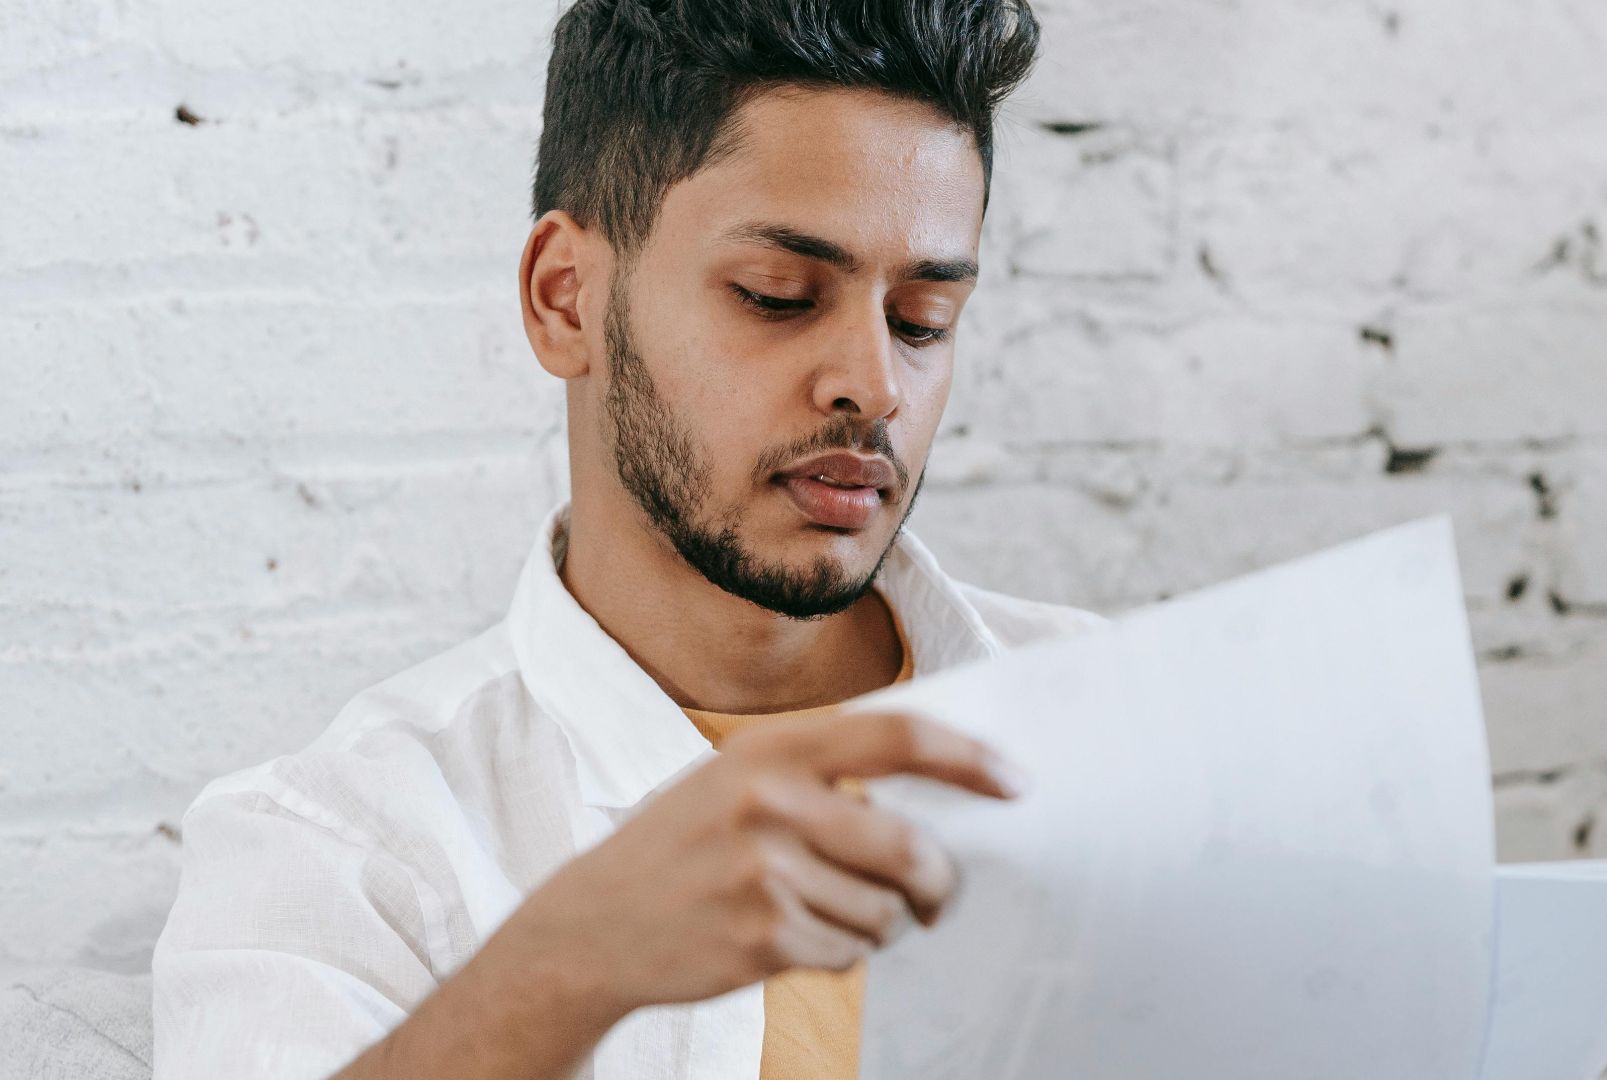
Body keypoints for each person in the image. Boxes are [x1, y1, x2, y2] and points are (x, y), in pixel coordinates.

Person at [149, 1, 1105, 1077]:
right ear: (567, 301)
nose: (876, 384)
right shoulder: (342, 844)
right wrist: (568, 968)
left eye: (924, 317)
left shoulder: (1134, 719)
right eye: (778, 296)